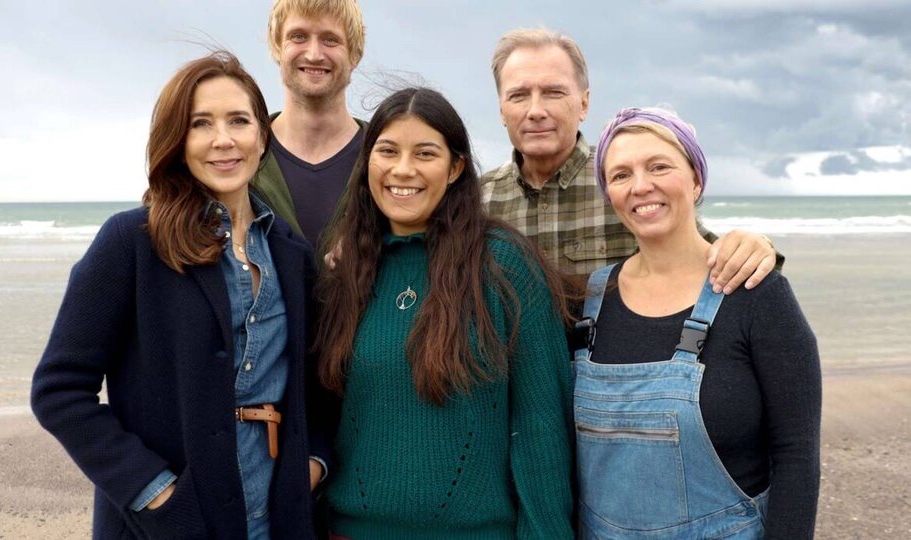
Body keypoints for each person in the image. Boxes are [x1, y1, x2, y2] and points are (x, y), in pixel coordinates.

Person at [30, 51, 330, 539]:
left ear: (263, 136)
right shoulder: (131, 242)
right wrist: (157, 495)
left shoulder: (292, 255)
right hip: (166, 526)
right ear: (177, 140)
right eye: (200, 124)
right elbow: (59, 391)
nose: (223, 140)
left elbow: (315, 388)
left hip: (276, 521)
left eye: (239, 120)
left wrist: (311, 465)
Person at [314, 87, 574, 538]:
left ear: (455, 167)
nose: (403, 170)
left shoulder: (503, 264)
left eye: (425, 153)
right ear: (368, 162)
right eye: (388, 151)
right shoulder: (346, 271)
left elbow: (541, 429)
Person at [573, 107, 821, 538]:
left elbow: (797, 455)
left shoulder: (758, 296)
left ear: (696, 179)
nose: (641, 186)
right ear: (608, 194)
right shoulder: (588, 304)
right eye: (620, 175)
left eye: (659, 166)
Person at [481, 27, 779, 294]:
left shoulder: (625, 181)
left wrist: (755, 246)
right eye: (519, 95)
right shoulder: (477, 199)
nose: (535, 110)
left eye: (553, 93)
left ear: (584, 103)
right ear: (501, 110)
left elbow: (713, 256)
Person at [253, 0, 367, 249]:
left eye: (330, 40)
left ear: (355, 54)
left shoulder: (384, 158)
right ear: (277, 47)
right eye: (298, 36)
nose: (314, 54)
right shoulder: (243, 155)